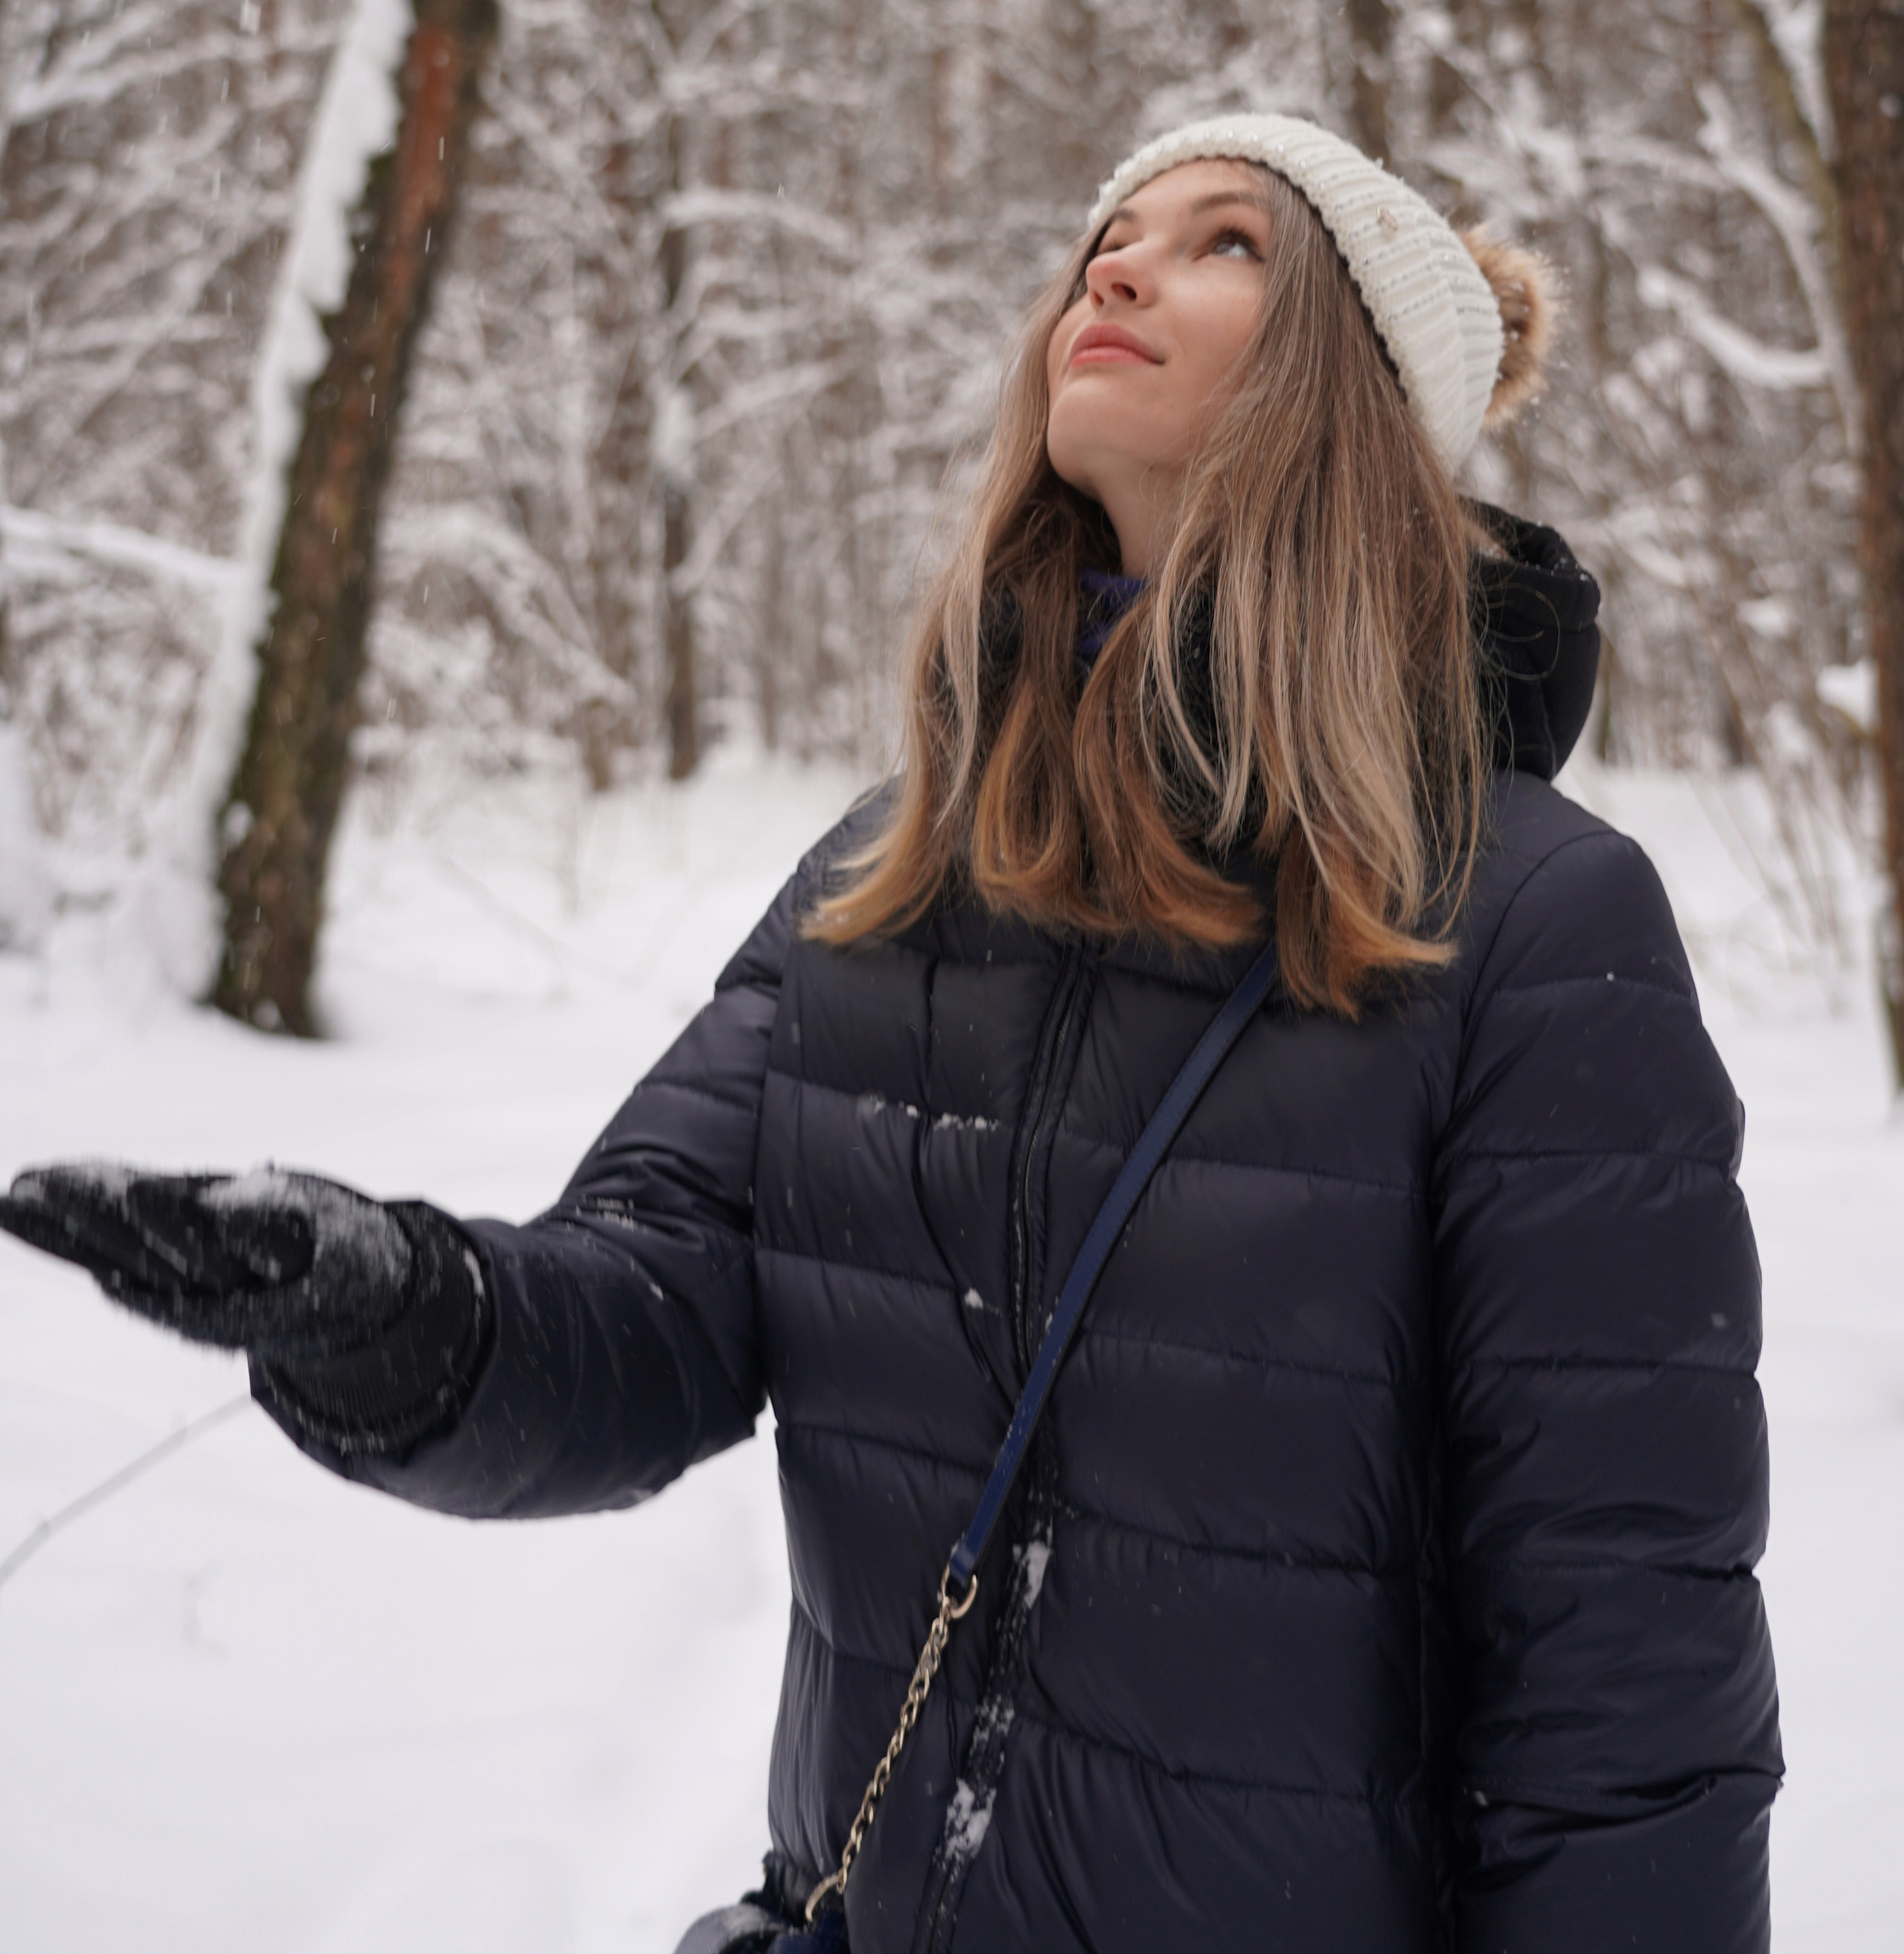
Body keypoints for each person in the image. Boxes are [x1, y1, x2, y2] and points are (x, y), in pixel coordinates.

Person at [1, 112, 1780, 1954]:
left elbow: (1626, 1688)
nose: (1116, 261)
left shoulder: (1533, 928)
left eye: (1226, 241)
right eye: (1109, 234)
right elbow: (646, 1306)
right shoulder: (898, 870)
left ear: (1349, 386)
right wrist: (389, 1307)